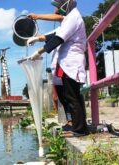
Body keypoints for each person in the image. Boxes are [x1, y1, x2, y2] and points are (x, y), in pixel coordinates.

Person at [26, 0, 88, 136]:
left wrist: (39, 52)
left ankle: (80, 129)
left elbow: (58, 39)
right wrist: (37, 39)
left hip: (71, 61)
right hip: (66, 62)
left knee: (72, 96)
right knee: (70, 95)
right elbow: (53, 35)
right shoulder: (70, 18)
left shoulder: (73, 17)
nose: (59, 8)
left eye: (59, 5)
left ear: (68, 3)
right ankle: (78, 127)